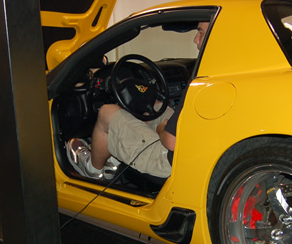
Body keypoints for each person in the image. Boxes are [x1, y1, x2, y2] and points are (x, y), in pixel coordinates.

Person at [67, 22, 209, 180]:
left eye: (201, 33)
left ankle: (92, 169)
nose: (195, 39)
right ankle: (115, 153)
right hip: (199, 151)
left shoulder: (200, 82)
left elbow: (171, 142)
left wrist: (162, 129)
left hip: (169, 160)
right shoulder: (216, 74)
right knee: (155, 108)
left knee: (107, 112)